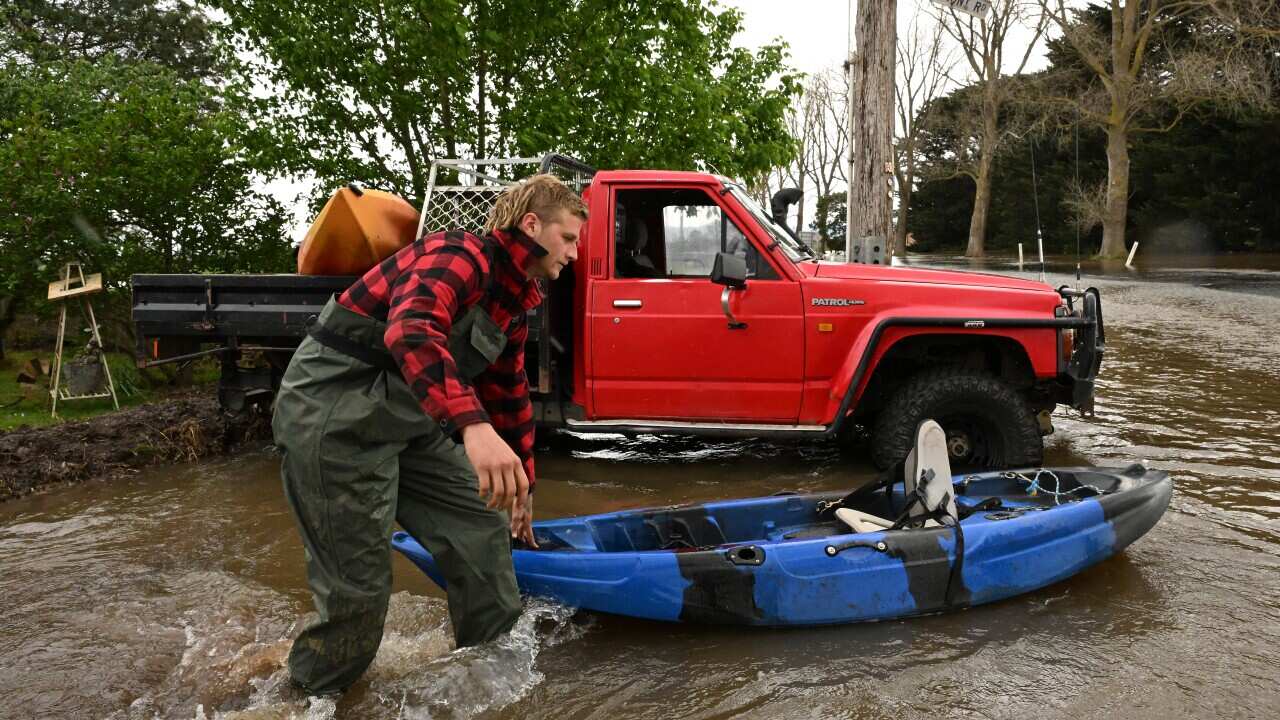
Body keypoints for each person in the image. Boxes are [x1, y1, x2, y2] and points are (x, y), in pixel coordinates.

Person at [272, 174, 586, 697]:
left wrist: (523, 487)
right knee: (359, 598)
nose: (574, 254)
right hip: (332, 418)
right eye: (570, 238)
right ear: (532, 226)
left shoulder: (511, 303)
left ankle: (485, 685)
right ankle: (299, 699)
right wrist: (472, 427)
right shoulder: (459, 253)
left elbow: (508, 396)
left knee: (485, 528)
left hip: (407, 421)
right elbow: (411, 328)